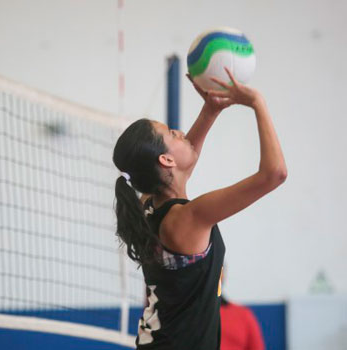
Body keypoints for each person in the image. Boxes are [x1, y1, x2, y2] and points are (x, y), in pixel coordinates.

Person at [112, 68, 287, 350]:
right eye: (172, 133)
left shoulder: (151, 205)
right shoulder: (188, 217)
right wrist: (258, 102)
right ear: (166, 159)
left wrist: (211, 110)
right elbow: (274, 174)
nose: (181, 132)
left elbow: (184, 161)